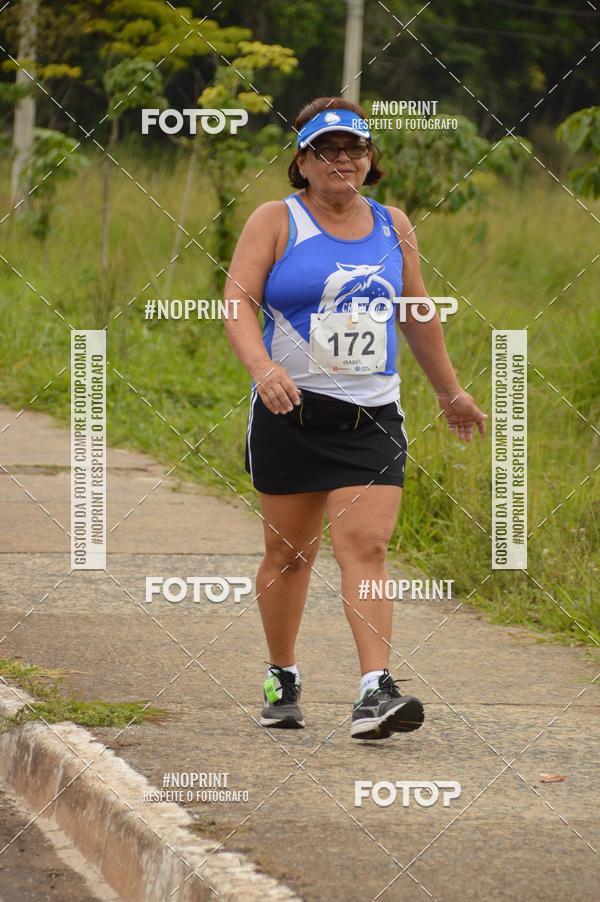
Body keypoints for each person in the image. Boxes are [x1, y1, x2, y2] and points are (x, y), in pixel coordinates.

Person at [223, 97, 486, 741]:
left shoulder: (393, 224)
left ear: (371, 162)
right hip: (289, 412)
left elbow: (417, 312)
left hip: (371, 416)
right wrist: (263, 370)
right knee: (288, 555)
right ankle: (282, 674)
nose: (342, 160)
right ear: (303, 161)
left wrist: (450, 392)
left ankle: (375, 689)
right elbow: (236, 301)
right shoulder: (275, 220)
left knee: (366, 546)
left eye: (355, 150)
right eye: (327, 150)